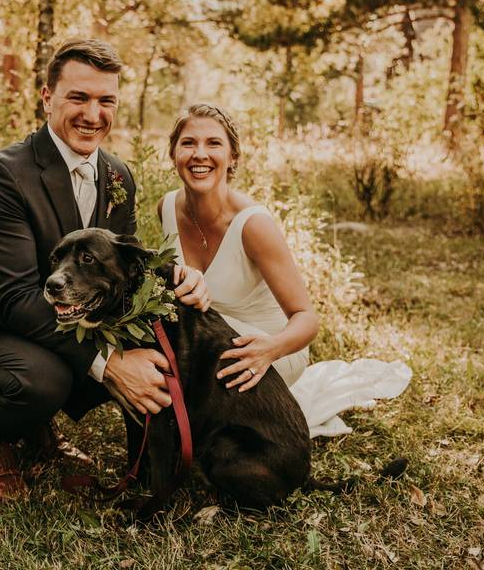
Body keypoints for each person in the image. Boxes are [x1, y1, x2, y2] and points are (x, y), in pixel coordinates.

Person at [0, 39, 209, 501]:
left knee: (151, 344)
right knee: (47, 379)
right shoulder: (3, 176)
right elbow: (15, 298)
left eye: (105, 100)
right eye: (78, 97)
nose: (93, 114)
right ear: (47, 97)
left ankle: (43, 429)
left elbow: (123, 273)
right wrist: (110, 366)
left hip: (58, 322)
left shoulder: (118, 176)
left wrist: (180, 278)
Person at [159, 104, 411, 437]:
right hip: (208, 338)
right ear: (174, 152)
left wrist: (270, 350)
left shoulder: (253, 225)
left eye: (214, 144)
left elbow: (306, 318)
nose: (199, 154)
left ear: (233, 157)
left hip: (269, 348)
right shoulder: (167, 206)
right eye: (188, 143)